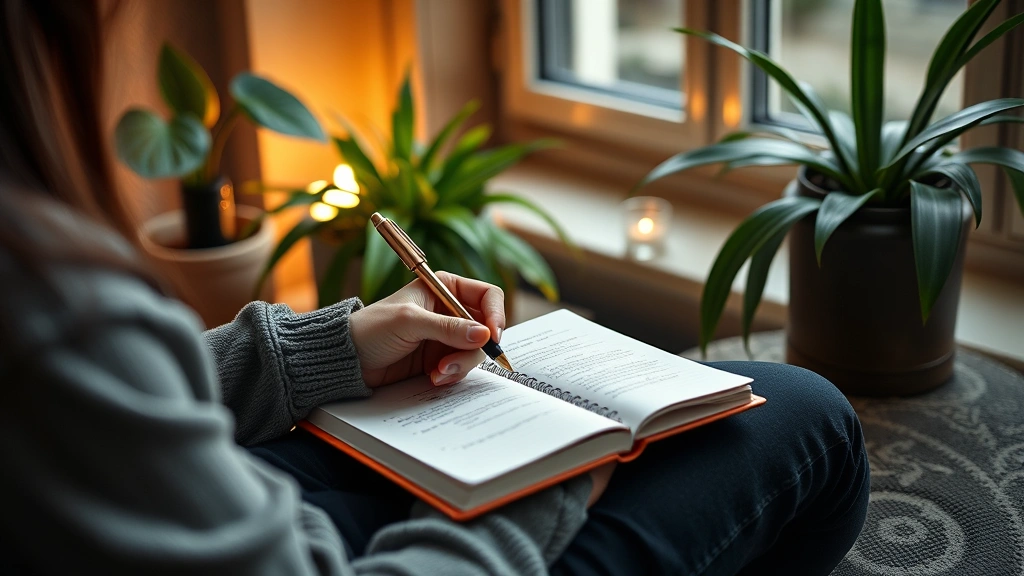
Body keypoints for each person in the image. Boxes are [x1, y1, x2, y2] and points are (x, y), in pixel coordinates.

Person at [0, 1, 869, 574]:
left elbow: (125, 400)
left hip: (235, 498)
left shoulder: (53, 303)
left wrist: (326, 350)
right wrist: (550, 471)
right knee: (810, 413)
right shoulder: (55, 302)